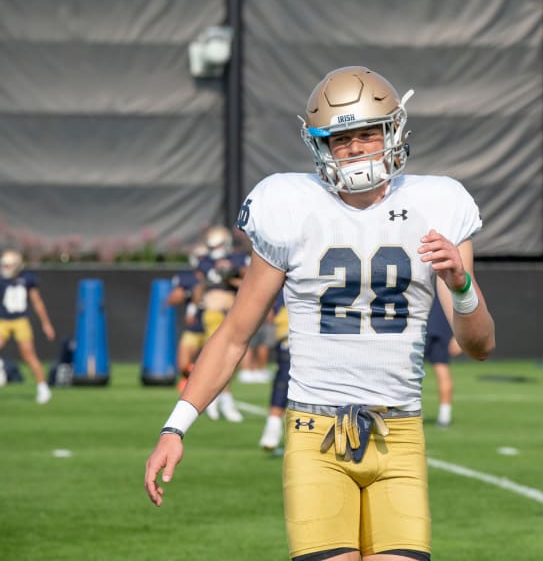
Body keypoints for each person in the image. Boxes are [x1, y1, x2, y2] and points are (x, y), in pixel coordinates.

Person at [145, 66, 496, 561]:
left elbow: (480, 346)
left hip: (400, 433)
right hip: (317, 435)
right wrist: (174, 427)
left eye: (366, 133)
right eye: (340, 138)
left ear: (393, 130)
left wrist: (460, 286)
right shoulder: (290, 203)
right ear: (319, 145)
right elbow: (234, 336)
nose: (354, 149)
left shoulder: (438, 202)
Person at [193, 225, 248, 422]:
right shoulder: (205, 262)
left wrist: (231, 277)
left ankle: (220, 397)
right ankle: (220, 398)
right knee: (219, 356)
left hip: (233, 311)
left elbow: (248, 280)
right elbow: (202, 282)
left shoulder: (238, 258)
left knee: (233, 358)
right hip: (214, 311)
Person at [0, 249, 55, 404]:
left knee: (28, 355)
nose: (5, 269)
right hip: (2, 319)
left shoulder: (27, 279)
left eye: (8, 266)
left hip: (20, 320)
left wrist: (46, 324)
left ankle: (43, 388)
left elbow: (37, 302)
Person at [166, 242, 208, 392]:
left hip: (215, 326)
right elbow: (171, 300)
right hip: (195, 326)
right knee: (183, 365)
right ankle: (193, 382)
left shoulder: (219, 275)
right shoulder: (186, 278)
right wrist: (190, 294)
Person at [258, 292, 290, 450]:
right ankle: (273, 428)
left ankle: (273, 429)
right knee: (283, 381)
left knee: (283, 381)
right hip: (290, 336)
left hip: (302, 333)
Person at [424, 299, 462, 427]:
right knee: (442, 369)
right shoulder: (445, 280)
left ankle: (408, 410)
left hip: (419, 324)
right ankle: (444, 416)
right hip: (440, 325)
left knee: (406, 371)